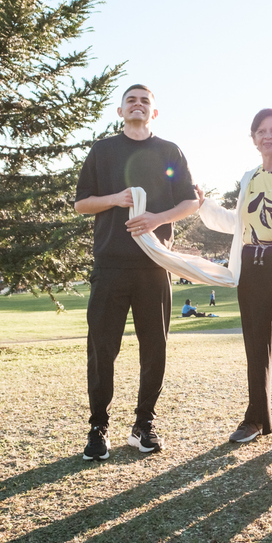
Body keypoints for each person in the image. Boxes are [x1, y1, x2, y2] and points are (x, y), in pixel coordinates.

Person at [74, 83, 201, 461]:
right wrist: (116, 198)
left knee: (154, 350)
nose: (138, 105)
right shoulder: (103, 150)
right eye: (131, 100)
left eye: (145, 101)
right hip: (110, 264)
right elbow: (81, 203)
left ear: (154, 112)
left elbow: (190, 201)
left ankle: (143, 425)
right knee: (102, 350)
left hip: (155, 265)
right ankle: (98, 428)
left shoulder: (169, 152)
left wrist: (156, 219)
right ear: (120, 111)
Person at [197, 108, 272, 452]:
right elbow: (237, 222)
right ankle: (255, 420)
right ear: (253, 138)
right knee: (256, 349)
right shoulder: (249, 177)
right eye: (261, 131)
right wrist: (203, 204)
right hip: (251, 268)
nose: (268, 136)